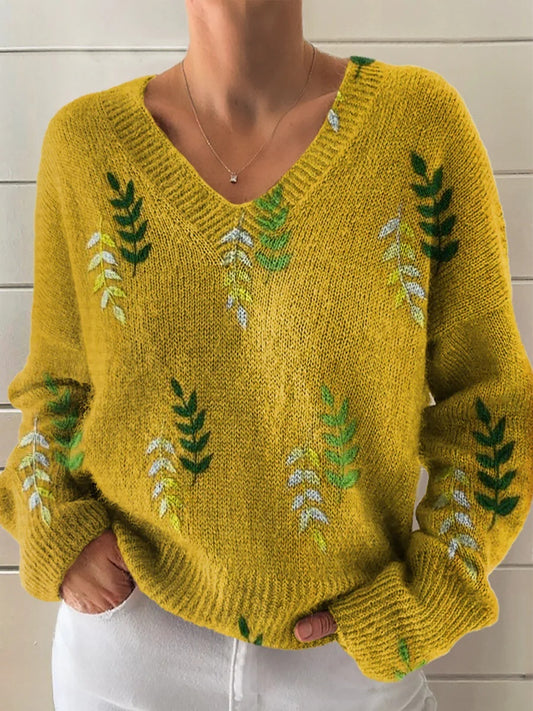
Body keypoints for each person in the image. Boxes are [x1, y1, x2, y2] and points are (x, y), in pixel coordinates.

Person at [1, 0, 532, 709]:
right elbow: (56, 391)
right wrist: (57, 531)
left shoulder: (416, 126)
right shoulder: (88, 144)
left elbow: (490, 402)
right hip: (130, 643)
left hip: (348, 653)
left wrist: (426, 599)